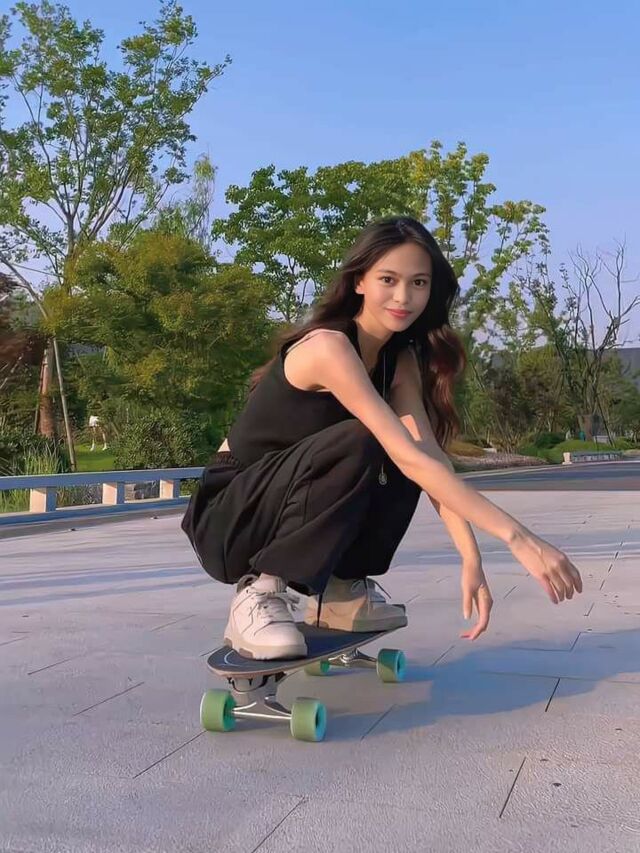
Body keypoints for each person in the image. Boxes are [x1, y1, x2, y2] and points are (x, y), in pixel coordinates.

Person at [181, 216, 582, 661]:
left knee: (403, 454)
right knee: (372, 439)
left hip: (280, 504)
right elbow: (404, 452)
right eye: (388, 280)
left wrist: (471, 556)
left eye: (418, 283)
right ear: (359, 282)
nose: (403, 297)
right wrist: (519, 538)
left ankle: (341, 591)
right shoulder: (328, 347)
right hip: (230, 518)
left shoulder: (399, 360)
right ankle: (258, 593)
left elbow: (427, 459)